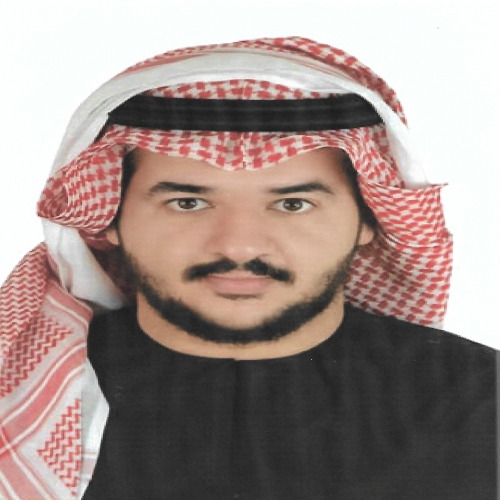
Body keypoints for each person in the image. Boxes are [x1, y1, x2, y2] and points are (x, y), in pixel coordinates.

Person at [0, 36, 497, 500]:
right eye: (188, 203)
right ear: (109, 217)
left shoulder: (479, 402)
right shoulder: (18, 394)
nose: (238, 244)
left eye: (293, 204)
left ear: (369, 219)